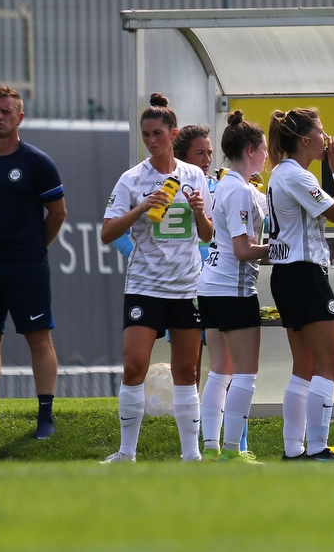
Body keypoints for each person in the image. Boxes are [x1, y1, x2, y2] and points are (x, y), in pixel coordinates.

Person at [100, 93, 213, 463]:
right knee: (134, 365)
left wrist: (198, 211)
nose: (151, 141)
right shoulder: (132, 178)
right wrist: (140, 208)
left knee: (187, 369)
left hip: (186, 287)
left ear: (172, 134)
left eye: (158, 134)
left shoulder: (194, 175)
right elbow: (106, 232)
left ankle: (191, 454)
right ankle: (125, 452)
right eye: (146, 134)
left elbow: (209, 235)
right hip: (145, 286)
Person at [0, 86, 68, 441]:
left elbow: (58, 212)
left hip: (28, 265)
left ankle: (45, 418)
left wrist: (34, 247)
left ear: (20, 117)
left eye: (6, 111)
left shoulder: (37, 163)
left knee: (38, 339)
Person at [267, 107, 334, 461]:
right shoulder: (297, 176)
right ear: (305, 140)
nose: (328, 139)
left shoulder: (286, 174)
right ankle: (317, 448)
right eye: (322, 132)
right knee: (331, 363)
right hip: (304, 274)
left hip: (288, 274)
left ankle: (294, 450)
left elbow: (332, 212)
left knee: (306, 365)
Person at [196, 111, 269, 462]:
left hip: (209, 287)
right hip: (232, 289)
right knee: (245, 373)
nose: (268, 156)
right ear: (251, 149)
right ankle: (231, 452)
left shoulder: (227, 183)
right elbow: (241, 250)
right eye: (265, 150)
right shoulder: (238, 189)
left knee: (219, 371)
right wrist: (278, 250)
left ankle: (210, 450)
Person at [174, 123, 247, 453]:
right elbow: (118, 235)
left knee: (227, 369)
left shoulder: (223, 186)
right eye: (198, 153)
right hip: (189, 287)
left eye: (209, 153)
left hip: (219, 287)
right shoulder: (171, 186)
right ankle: (198, 445)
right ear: (184, 158)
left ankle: (237, 444)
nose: (206, 159)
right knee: (193, 370)